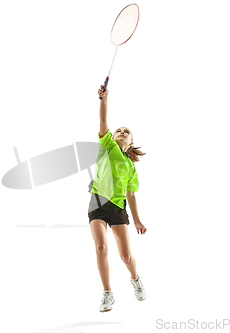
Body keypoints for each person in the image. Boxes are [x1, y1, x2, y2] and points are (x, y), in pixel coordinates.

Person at [88, 85, 148, 312]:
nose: (122, 132)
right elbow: (103, 122)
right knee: (101, 248)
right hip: (97, 204)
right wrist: (103, 99)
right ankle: (107, 293)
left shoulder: (131, 168)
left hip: (118, 208)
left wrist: (138, 220)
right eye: (119, 130)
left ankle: (135, 278)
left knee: (125, 255)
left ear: (131, 142)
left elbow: (131, 196)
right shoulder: (107, 146)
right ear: (112, 137)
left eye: (127, 131)